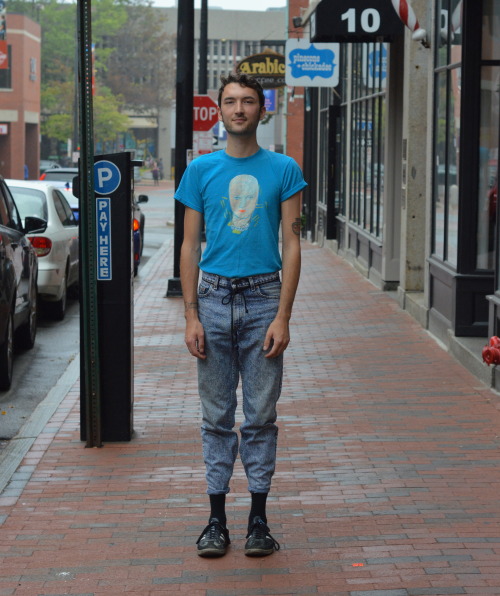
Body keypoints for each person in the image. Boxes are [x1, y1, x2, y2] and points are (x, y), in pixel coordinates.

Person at [175, 72, 306, 558]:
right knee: (215, 417)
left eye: (247, 101)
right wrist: (191, 315)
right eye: (230, 101)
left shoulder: (284, 169)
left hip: (262, 300)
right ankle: (214, 522)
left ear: (261, 109)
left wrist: (283, 315)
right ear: (220, 110)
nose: (238, 109)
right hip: (210, 299)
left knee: (260, 416)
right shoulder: (201, 171)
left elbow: (292, 244)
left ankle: (258, 521)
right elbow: (189, 246)